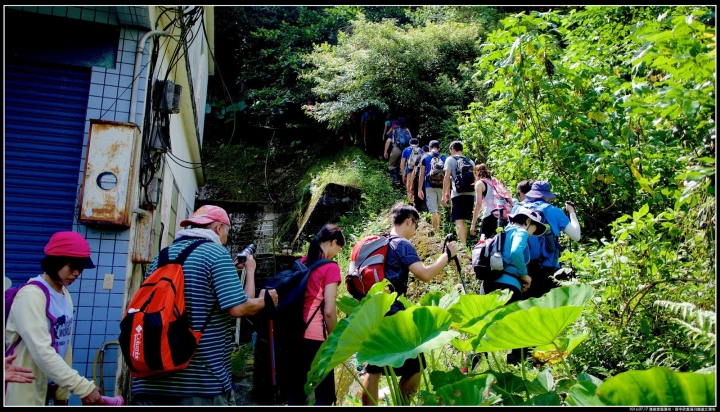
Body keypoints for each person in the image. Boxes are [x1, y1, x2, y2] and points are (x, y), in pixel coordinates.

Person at [131, 205, 278, 406]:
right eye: (227, 231)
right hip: (200, 383)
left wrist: (247, 272)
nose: (226, 237)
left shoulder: (162, 257)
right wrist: (266, 300)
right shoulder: (216, 254)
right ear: (218, 228)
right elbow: (239, 309)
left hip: (149, 380)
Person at [361, 204, 459, 406]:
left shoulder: (378, 242)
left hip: (372, 313)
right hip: (394, 315)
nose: (415, 230)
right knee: (416, 367)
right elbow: (424, 274)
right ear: (408, 221)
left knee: (374, 367)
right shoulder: (401, 244)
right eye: (415, 225)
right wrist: (447, 255)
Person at [5, 231, 104, 405]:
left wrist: (62, 393)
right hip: (22, 388)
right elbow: (42, 351)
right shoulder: (31, 296)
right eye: (72, 267)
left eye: (80, 268)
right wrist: (82, 387)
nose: (76, 273)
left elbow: (64, 345)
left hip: (47, 391)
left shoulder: (64, 294)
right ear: (55, 262)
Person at [287, 224, 346, 406]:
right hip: (315, 339)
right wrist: (334, 340)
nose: (336, 253)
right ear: (333, 242)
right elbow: (329, 311)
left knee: (296, 394)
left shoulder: (301, 263)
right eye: (338, 249)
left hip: (293, 335)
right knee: (324, 396)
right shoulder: (330, 268)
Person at [480, 207, 546, 365]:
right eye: (534, 229)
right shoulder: (521, 232)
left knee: (484, 326)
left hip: (488, 284)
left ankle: (471, 364)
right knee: (521, 325)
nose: (531, 234)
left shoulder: (501, 233)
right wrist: (524, 275)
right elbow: (516, 252)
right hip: (508, 285)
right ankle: (516, 367)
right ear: (528, 222)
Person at [523, 181, 581, 299]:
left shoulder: (518, 210)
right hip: (549, 267)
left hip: (524, 267)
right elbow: (576, 236)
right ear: (547, 196)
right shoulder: (555, 212)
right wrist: (572, 212)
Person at [442, 141, 475, 246]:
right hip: (471, 193)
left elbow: (447, 177)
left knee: (458, 219)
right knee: (463, 219)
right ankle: (464, 244)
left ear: (452, 148)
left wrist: (445, 194)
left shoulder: (450, 159)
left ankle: (463, 245)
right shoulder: (470, 161)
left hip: (458, 193)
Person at [417, 140, 447, 232]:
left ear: (429, 148)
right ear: (438, 148)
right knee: (440, 209)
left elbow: (421, 174)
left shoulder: (425, 157)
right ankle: (439, 230)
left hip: (429, 185)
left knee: (433, 210)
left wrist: (419, 189)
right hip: (442, 186)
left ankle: (436, 231)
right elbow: (447, 175)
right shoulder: (444, 158)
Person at [470, 164, 500, 241]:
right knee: (498, 242)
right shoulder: (494, 181)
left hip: (489, 215)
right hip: (500, 214)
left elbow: (478, 204)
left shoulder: (479, 184)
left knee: (484, 242)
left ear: (476, 173)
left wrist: (473, 224)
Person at [407, 145, 430, 213]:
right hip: (429, 181)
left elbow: (414, 171)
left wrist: (411, 184)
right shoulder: (431, 157)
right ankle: (427, 214)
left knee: (417, 199)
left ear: (422, 151)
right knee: (427, 198)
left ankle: (416, 213)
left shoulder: (419, 157)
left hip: (418, 180)